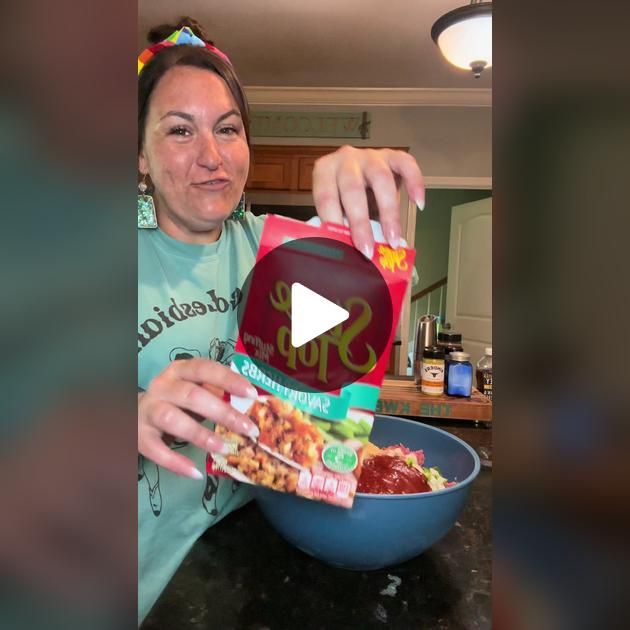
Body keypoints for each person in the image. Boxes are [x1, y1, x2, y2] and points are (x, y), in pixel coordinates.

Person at [137, 17, 425, 623]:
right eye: (179, 130)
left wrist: (355, 206)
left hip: (253, 560)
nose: (211, 157)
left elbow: (360, 326)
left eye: (228, 129)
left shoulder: (275, 248)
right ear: (139, 154)